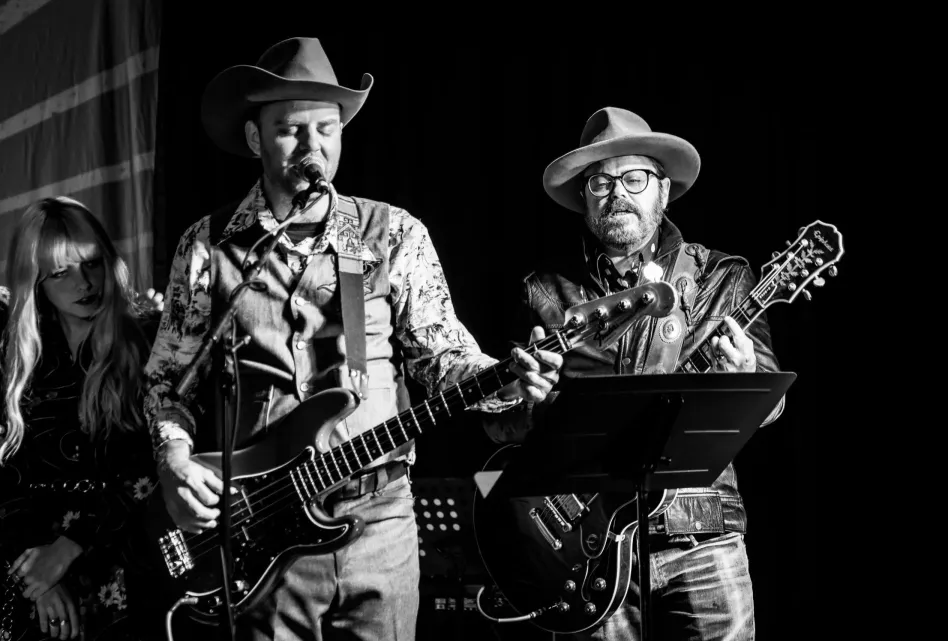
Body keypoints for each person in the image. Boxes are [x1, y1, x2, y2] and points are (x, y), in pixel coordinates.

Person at [144, 37, 562, 641]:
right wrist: (174, 460)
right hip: (261, 528)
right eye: (291, 130)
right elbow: (164, 382)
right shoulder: (207, 246)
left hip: (380, 518)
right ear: (257, 139)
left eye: (326, 129)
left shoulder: (394, 234)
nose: (313, 147)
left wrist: (510, 381)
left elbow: (445, 360)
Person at [483, 107, 786, 641]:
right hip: (587, 549)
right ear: (584, 198)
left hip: (703, 537)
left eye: (635, 177)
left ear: (663, 191)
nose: (617, 191)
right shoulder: (543, 291)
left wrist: (746, 378)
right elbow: (499, 427)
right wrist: (526, 402)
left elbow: (770, 404)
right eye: (600, 181)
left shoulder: (722, 276)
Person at [0, 197, 164, 640]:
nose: (85, 282)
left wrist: (71, 546)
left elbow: (155, 462)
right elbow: (5, 473)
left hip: (128, 556)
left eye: (91, 263)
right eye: (60, 273)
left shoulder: (150, 337)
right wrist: (38, 574)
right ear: (35, 282)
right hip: (33, 568)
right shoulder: (18, 355)